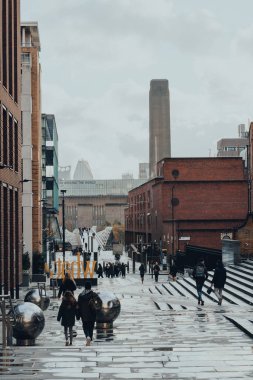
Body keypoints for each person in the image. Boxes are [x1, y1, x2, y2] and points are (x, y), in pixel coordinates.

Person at [77, 281, 102, 346]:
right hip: (92, 313)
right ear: (90, 287)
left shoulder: (80, 295)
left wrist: (78, 315)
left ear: (85, 287)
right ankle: (90, 339)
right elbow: (100, 302)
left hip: (83, 314)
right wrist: (97, 308)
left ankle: (87, 336)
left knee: (85, 326)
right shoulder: (93, 294)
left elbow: (78, 306)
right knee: (91, 326)